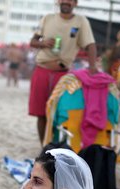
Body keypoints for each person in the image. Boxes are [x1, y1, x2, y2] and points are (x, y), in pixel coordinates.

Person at [28, 0, 97, 143]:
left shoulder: (81, 21)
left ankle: (56, 147)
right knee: (41, 113)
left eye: (70, 0)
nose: (66, 2)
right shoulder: (48, 18)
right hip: (42, 70)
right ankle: (44, 148)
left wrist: (92, 67)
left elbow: (90, 45)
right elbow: (33, 41)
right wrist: (43, 43)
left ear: (75, 3)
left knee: (61, 113)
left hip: (63, 75)